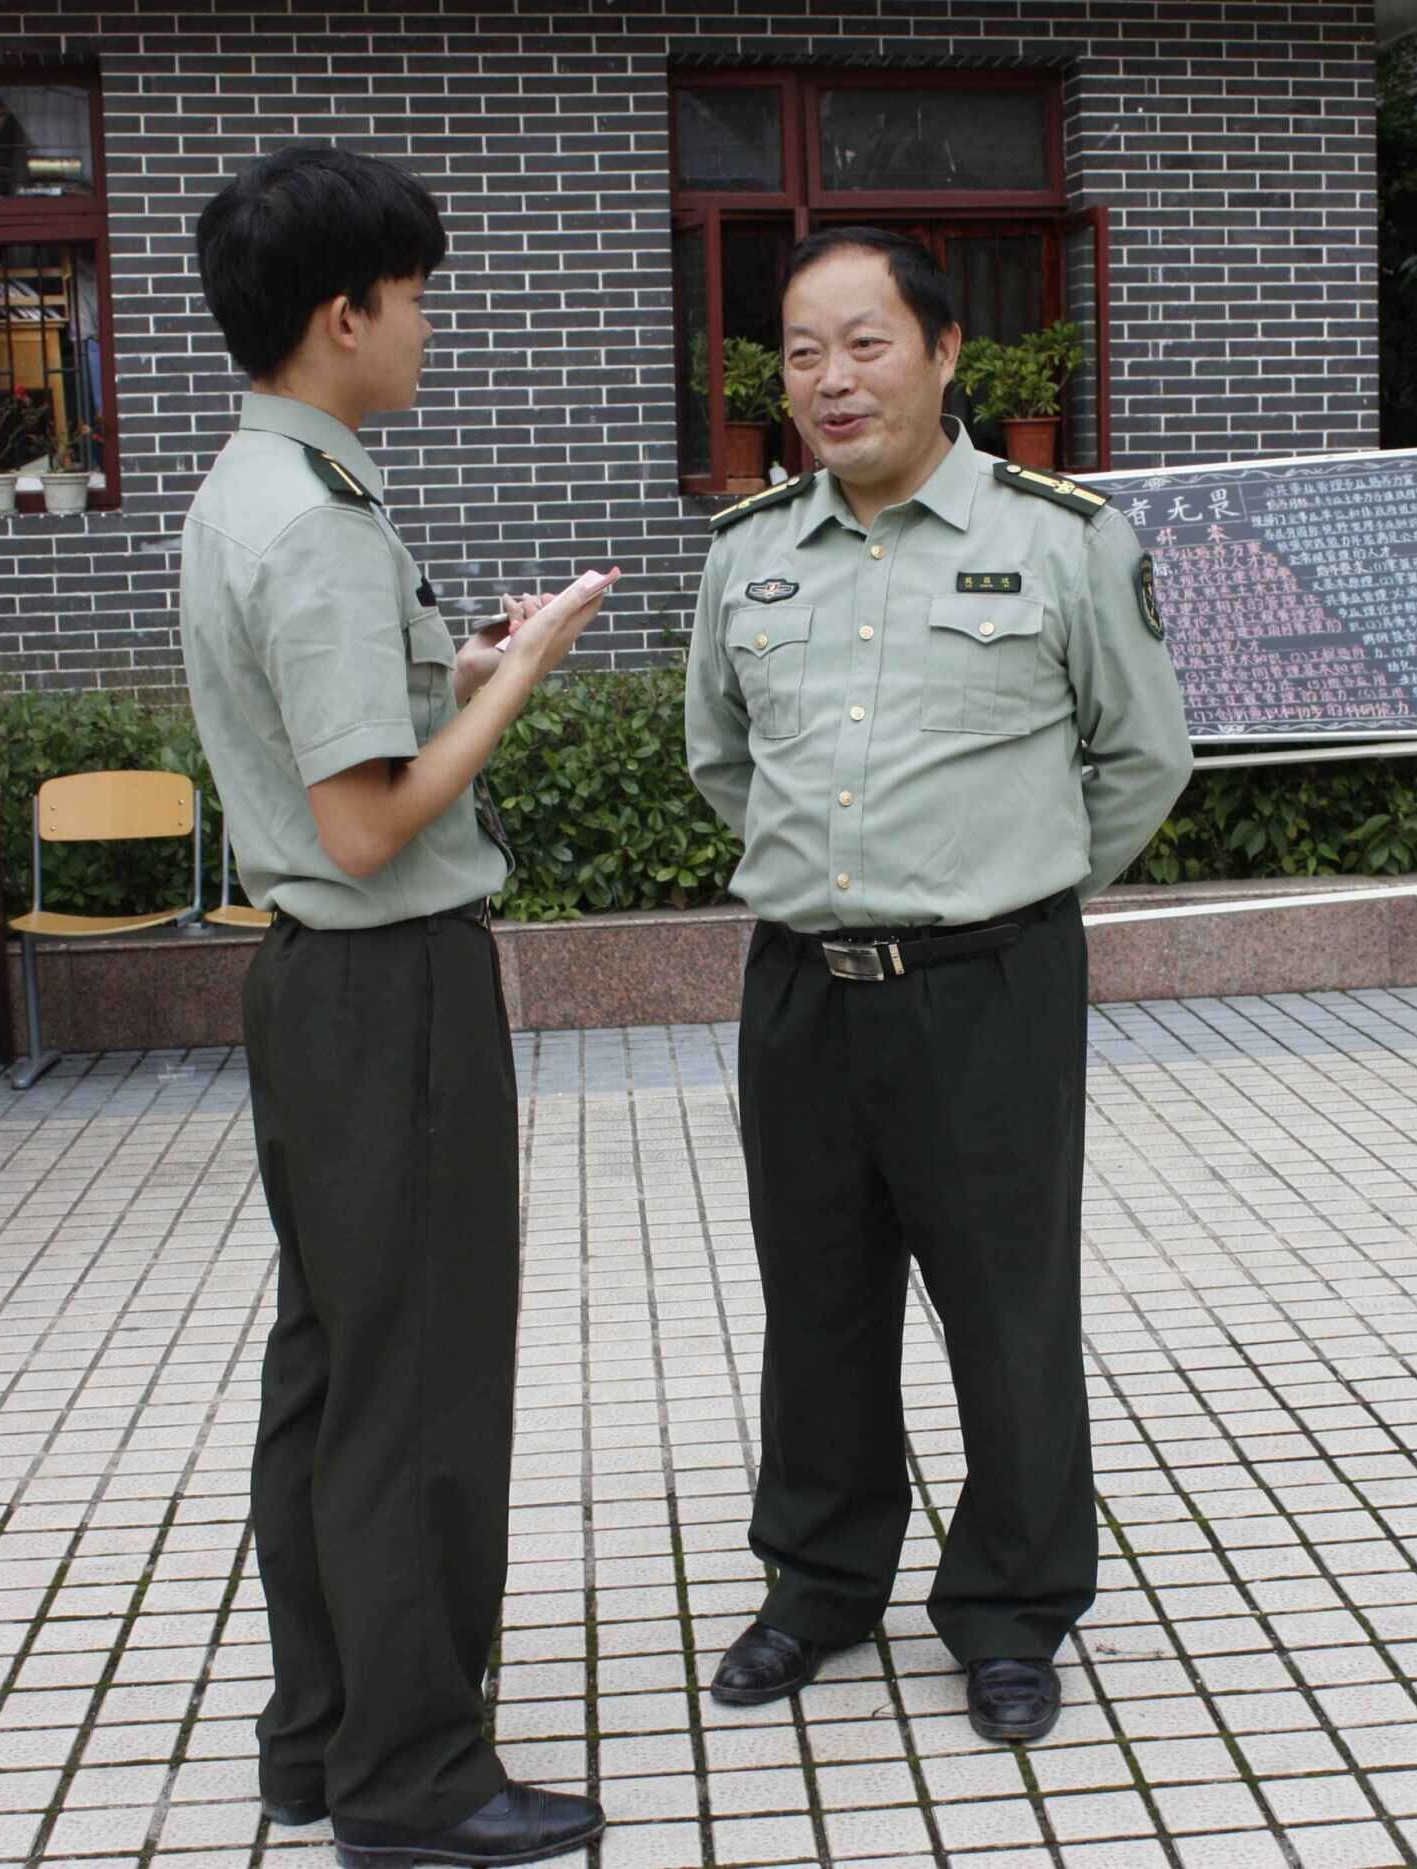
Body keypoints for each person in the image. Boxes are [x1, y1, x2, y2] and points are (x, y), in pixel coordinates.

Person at [685, 226, 1193, 1743]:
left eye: (866, 343)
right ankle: (820, 1584)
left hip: (991, 983)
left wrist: (1010, 877)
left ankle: (1013, 1605)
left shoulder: (1059, 538)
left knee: (1004, 1304)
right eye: (800, 352)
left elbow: (1141, 754)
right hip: (800, 990)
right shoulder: (749, 553)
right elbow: (725, 760)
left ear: (948, 353)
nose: (831, 381)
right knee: (817, 1303)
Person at [182, 145, 612, 1867]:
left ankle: (321, 1737)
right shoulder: (317, 523)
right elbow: (367, 824)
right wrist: (525, 683)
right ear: (343, 312)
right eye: (417, 297)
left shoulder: (255, 487)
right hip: (389, 982)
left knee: (336, 1369)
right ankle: (417, 1780)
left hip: (312, 991)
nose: (429, 326)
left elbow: (330, 736)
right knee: (417, 1384)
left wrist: (463, 660)